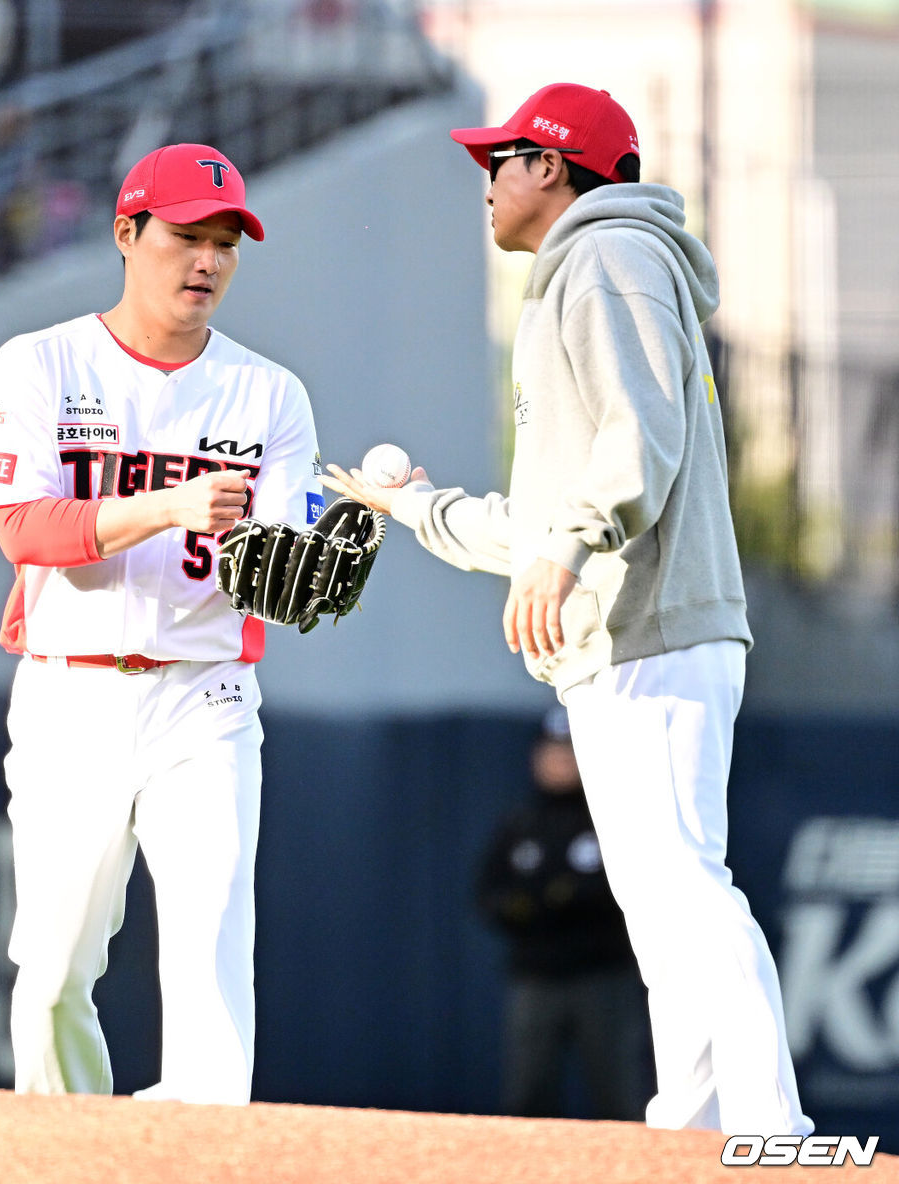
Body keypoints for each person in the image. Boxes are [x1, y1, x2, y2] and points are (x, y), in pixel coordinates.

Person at [321, 83, 813, 1135]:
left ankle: (774, 1125)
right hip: (620, 632)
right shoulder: (574, 276)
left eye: (495, 160)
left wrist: (565, 546)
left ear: (550, 166)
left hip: (654, 625)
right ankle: (693, 1126)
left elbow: (643, 436)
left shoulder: (610, 254)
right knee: (658, 898)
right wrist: (419, 509)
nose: (484, 181)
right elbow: (555, 515)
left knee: (682, 880)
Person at [0, 142, 326, 1104]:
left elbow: (280, 576)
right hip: (70, 687)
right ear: (127, 234)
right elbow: (25, 530)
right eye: (185, 236)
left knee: (211, 947)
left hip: (204, 695)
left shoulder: (270, 394)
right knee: (50, 974)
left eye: (225, 242)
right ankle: (64, 1155)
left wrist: (334, 546)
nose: (206, 260)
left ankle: (203, 1157)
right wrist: (165, 508)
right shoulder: (38, 363)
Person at [476, 704, 650, 1120]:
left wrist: (563, 899)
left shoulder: (611, 818)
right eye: (552, 751)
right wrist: (528, 905)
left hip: (603, 977)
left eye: (569, 752)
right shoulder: (519, 824)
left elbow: (625, 892)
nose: (559, 762)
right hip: (536, 978)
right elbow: (489, 895)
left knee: (618, 1098)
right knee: (528, 1099)